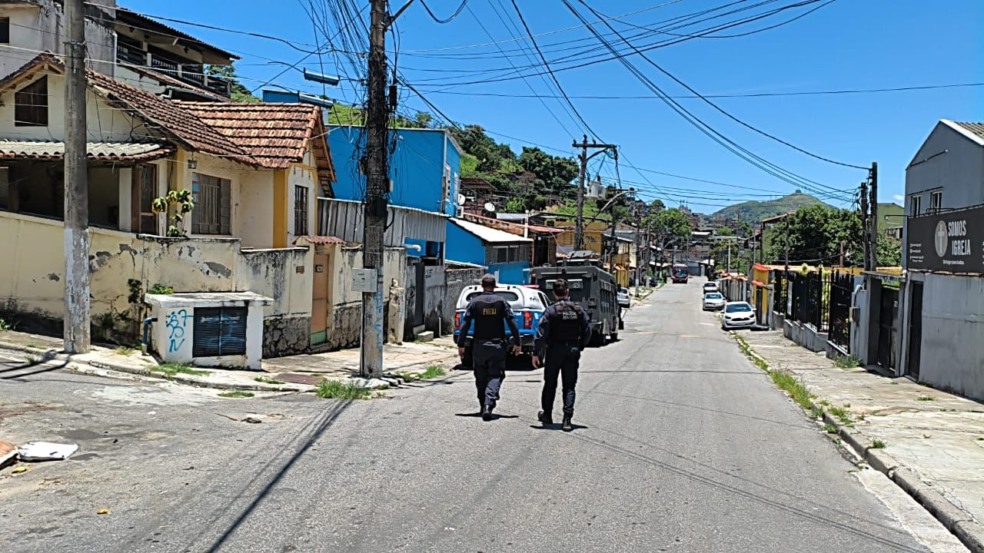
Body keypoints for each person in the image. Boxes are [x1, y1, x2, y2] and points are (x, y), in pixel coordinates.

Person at [457, 274, 521, 421]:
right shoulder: (501, 302)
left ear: (481, 285)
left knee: (480, 376)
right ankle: (488, 403)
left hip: (479, 346)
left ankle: (483, 404)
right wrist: (517, 342)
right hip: (497, 345)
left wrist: (461, 344)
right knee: (495, 375)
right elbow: (512, 322)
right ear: (495, 286)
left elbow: (465, 324)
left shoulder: (474, 302)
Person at [532, 279, 591, 432]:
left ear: (553, 293)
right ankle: (567, 419)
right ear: (567, 291)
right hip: (572, 350)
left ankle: (547, 414)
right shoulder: (578, 309)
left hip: (554, 350)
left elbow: (541, 334)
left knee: (550, 383)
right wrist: (580, 346)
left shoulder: (551, 310)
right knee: (569, 386)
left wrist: (536, 353)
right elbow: (587, 330)